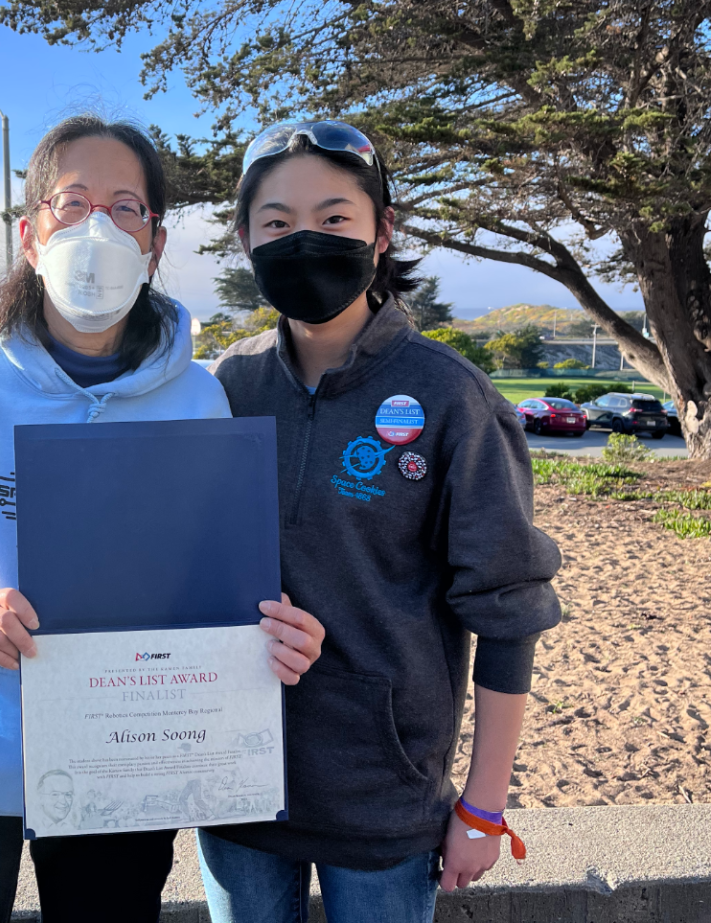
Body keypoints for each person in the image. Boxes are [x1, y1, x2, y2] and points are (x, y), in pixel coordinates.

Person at [0, 115, 324, 923]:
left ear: (155, 243)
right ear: (30, 235)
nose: (99, 227)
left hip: (122, 759)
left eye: (127, 207)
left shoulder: (198, 398)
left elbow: (207, 572)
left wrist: (264, 634)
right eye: (72, 202)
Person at [200, 121, 562, 923]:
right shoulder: (222, 386)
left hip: (384, 799)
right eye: (277, 222)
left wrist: (483, 805)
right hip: (232, 784)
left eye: (334, 218)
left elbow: (508, 611)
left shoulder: (451, 396)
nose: (305, 241)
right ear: (245, 240)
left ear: (382, 230)